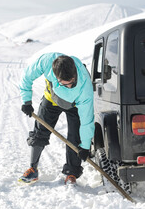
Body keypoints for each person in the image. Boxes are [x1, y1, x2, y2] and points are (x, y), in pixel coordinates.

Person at [19, 52, 94, 185]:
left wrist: (85, 146)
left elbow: (86, 121)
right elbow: (26, 77)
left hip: (74, 105)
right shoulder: (46, 61)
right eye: (64, 84)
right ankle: (32, 168)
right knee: (40, 132)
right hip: (51, 99)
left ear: (75, 75)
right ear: (55, 76)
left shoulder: (85, 88)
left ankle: (71, 173)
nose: (69, 86)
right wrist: (26, 101)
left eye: (71, 83)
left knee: (75, 138)